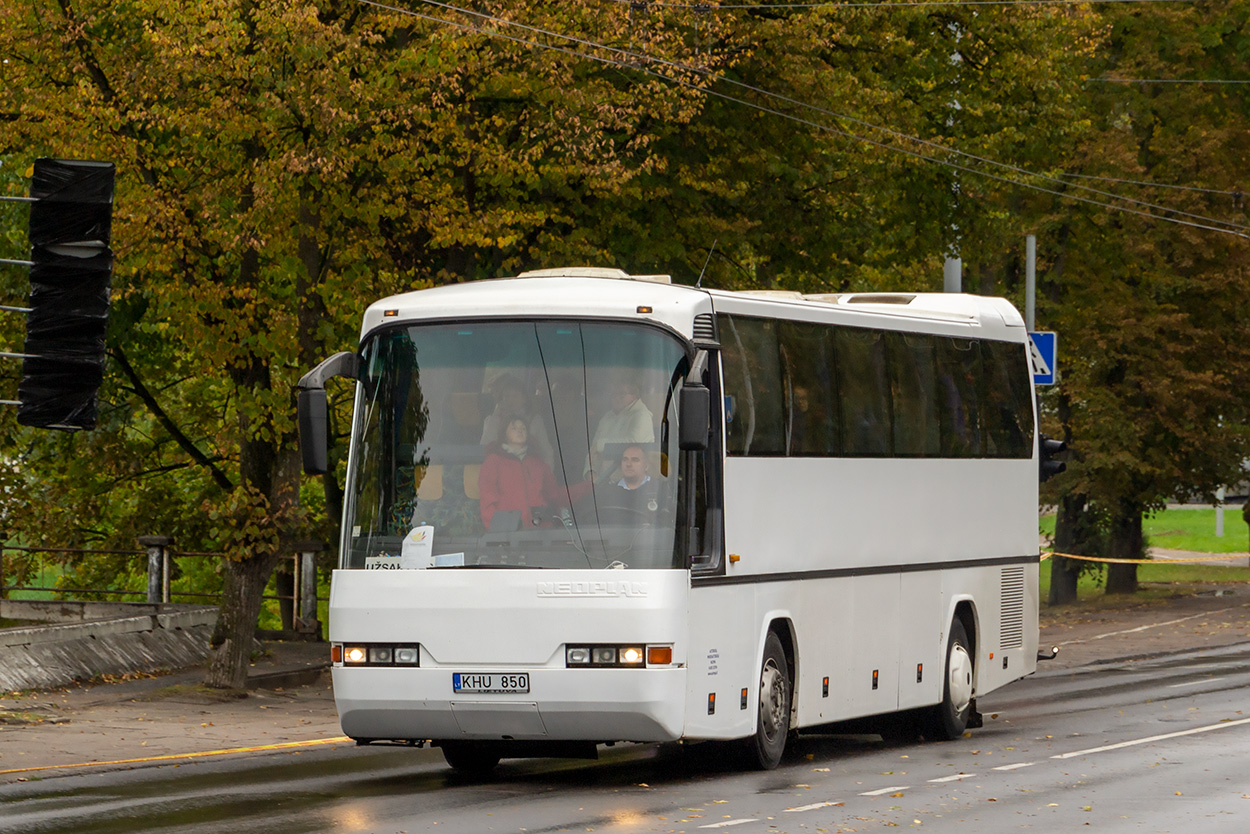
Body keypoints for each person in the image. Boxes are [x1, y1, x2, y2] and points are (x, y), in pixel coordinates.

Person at [478, 416, 562, 531]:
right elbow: (487, 500)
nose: (520, 431)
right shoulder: (493, 461)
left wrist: (589, 486)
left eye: (523, 428)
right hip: (508, 535)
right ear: (504, 433)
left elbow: (555, 496)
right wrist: (498, 530)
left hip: (541, 534)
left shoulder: (538, 464)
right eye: (514, 428)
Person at [586, 377, 654, 478]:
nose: (616, 397)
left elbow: (633, 443)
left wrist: (601, 445)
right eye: (614, 394)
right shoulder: (607, 418)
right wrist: (590, 471)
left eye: (621, 394)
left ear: (634, 395)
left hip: (631, 485)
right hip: (602, 483)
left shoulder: (642, 415)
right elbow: (593, 448)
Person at [480, 375, 554, 467]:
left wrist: (546, 476)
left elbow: (546, 452)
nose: (510, 400)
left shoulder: (535, 421)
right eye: (506, 396)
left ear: (524, 399)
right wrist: (495, 417)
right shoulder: (493, 420)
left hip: (530, 474)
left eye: (515, 396)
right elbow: (485, 448)